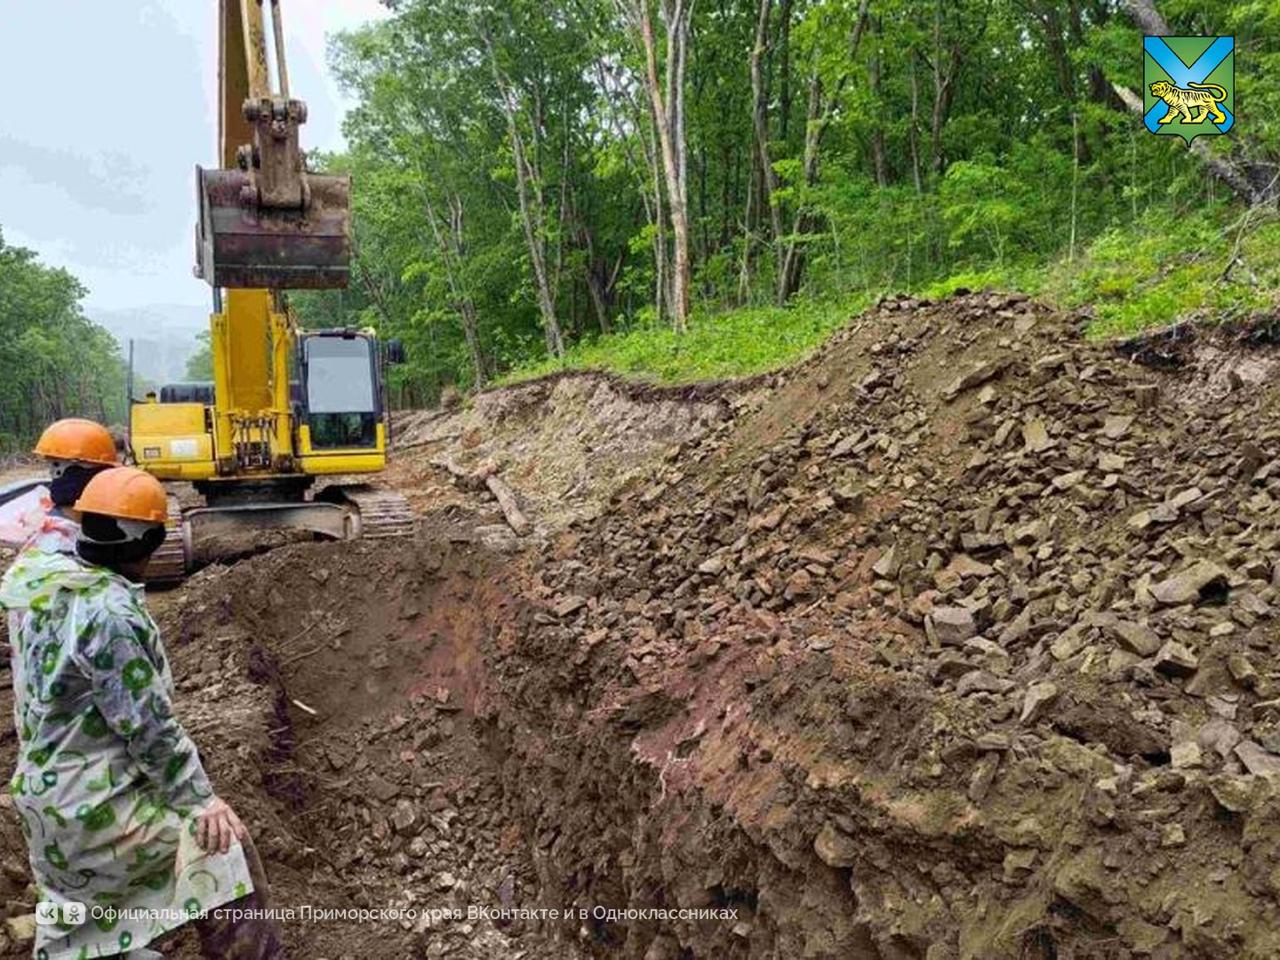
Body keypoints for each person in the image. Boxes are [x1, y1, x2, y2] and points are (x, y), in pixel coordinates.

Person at [0, 467, 286, 959]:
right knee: (224, 853)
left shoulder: (44, 579)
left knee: (76, 910)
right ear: (151, 540)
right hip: (90, 805)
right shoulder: (109, 613)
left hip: (45, 798)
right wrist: (200, 801)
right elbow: (148, 725)